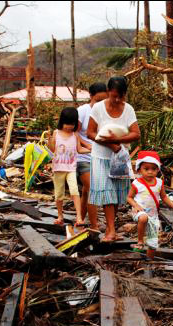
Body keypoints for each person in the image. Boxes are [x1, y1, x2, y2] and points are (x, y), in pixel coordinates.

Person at [87, 76, 141, 242]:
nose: (117, 99)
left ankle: (111, 228)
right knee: (107, 191)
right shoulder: (98, 108)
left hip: (119, 157)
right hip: (100, 156)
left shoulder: (128, 109)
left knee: (116, 193)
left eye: (121, 96)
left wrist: (119, 141)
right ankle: (110, 230)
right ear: (108, 92)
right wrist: (109, 143)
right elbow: (90, 132)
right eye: (114, 95)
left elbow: (136, 133)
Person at [127, 150, 173, 259]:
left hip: (153, 216)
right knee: (143, 218)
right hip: (139, 212)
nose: (150, 172)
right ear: (139, 170)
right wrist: (136, 206)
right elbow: (129, 197)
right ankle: (140, 241)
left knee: (153, 243)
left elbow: (164, 197)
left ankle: (149, 260)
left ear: (158, 170)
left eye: (153, 169)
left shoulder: (159, 183)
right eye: (146, 169)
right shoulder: (137, 183)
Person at [48, 107, 89, 227]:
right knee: (59, 194)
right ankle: (60, 216)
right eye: (67, 123)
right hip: (58, 168)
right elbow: (52, 149)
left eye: (72, 124)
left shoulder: (75, 135)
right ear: (62, 121)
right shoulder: (56, 133)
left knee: (75, 191)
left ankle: (79, 217)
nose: (69, 126)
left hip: (71, 168)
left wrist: (91, 149)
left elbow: (79, 149)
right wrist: (49, 139)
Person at [77, 82, 108, 231]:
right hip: (82, 157)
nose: (100, 104)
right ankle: (94, 225)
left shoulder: (106, 112)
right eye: (97, 100)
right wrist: (85, 144)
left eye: (104, 100)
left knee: (86, 191)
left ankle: (80, 220)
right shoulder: (82, 111)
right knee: (91, 187)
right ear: (90, 96)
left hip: (100, 156)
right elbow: (73, 132)